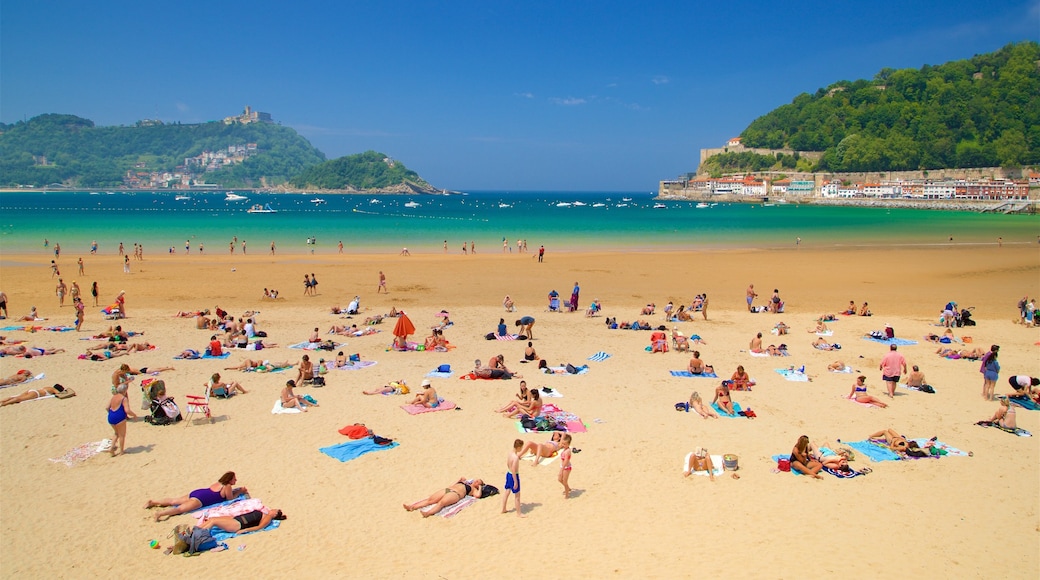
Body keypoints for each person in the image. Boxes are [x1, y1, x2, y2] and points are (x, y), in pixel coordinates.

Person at [146, 472, 247, 521]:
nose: (236, 481)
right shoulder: (227, 486)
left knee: (174, 501)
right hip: (201, 500)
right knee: (180, 509)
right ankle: (160, 514)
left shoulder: (219, 482)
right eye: (234, 479)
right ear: (229, 480)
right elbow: (230, 498)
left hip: (198, 492)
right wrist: (240, 491)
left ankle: (154, 502)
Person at [403, 477, 485, 517]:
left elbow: (477, 496)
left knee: (441, 503)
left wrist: (480, 487)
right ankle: (412, 507)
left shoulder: (474, 490)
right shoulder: (466, 483)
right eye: (477, 480)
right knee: (430, 500)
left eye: (478, 482)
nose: (476, 481)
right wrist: (459, 480)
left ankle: (427, 513)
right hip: (448, 489)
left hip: (456, 494)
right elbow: (452, 485)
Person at [199, 508, 286, 535]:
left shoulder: (268, 517)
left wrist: (244, 530)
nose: (273, 509)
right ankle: (194, 530)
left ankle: (197, 534)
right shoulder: (265, 514)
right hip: (236, 519)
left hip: (238, 524)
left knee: (214, 522)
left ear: (275, 514)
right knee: (212, 519)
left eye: (275, 510)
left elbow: (259, 527)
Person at [106, 383, 137, 457]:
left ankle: (111, 448)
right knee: (122, 435)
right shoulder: (124, 398)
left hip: (111, 416)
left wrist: (111, 413)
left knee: (116, 433)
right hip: (119, 417)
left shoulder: (113, 397)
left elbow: (107, 407)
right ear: (125, 391)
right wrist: (134, 415)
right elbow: (127, 410)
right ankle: (121, 451)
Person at [502, 439, 525, 517]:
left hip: (508, 474)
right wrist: (515, 481)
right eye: (521, 447)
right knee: (517, 496)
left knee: (507, 491)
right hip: (513, 476)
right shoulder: (515, 457)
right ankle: (519, 513)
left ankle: (503, 508)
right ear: (518, 447)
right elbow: (514, 470)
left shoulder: (510, 453)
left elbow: (508, 464)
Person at [2, 383, 73, 406]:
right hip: (36, 393)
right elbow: (60, 394)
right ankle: (4, 404)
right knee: (19, 399)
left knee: (17, 396)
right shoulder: (53, 390)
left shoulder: (48, 387)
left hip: (32, 390)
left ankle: (2, 401)